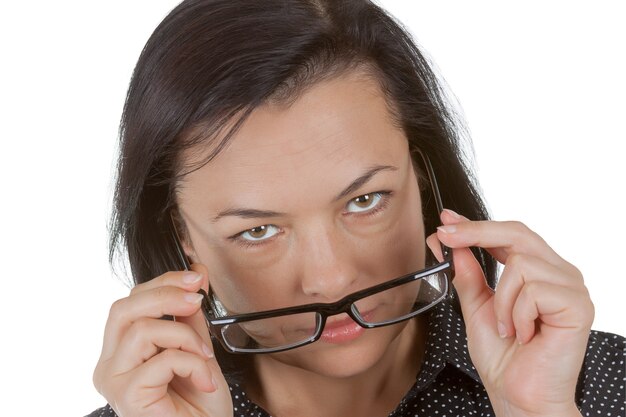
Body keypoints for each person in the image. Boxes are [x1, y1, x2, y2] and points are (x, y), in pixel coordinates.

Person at [88, 1, 625, 416]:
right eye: (259, 230)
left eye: (364, 201)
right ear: (182, 234)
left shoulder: (600, 382)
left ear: (422, 175)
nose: (331, 278)